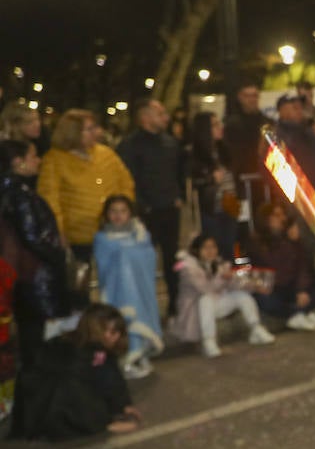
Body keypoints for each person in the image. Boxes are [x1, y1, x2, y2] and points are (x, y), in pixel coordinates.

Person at [0, 138, 70, 434]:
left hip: (13, 277)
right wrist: (58, 253)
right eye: (32, 156)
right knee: (33, 344)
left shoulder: (9, 191)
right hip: (31, 277)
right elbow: (33, 236)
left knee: (21, 341)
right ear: (18, 162)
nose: (38, 160)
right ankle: (32, 413)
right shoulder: (21, 193)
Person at [11, 303, 143, 441]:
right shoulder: (77, 354)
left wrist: (123, 404)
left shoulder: (95, 350)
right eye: (108, 331)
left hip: (48, 397)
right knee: (75, 388)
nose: (114, 337)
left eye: (117, 331)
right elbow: (78, 393)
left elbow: (110, 378)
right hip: (42, 405)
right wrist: (106, 423)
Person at [37, 109, 136, 264]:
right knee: (80, 281)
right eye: (89, 129)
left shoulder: (106, 154)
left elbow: (126, 182)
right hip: (78, 236)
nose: (96, 132)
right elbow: (49, 200)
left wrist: (123, 211)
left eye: (95, 128)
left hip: (112, 231)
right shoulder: (54, 160)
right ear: (73, 132)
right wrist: (59, 231)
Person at [117, 98, 186, 314]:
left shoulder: (170, 142)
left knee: (172, 258)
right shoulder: (130, 145)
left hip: (169, 209)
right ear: (145, 118)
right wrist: (141, 206)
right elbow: (127, 178)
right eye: (160, 114)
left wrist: (178, 195)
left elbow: (179, 172)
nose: (165, 118)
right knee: (144, 261)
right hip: (145, 214)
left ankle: (176, 304)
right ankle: (144, 307)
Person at [93, 195, 163, 379]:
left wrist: (131, 253)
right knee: (124, 322)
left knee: (143, 318)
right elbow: (105, 263)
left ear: (130, 213)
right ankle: (128, 359)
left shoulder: (140, 234)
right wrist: (127, 255)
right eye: (113, 211)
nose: (118, 215)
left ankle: (141, 354)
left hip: (141, 289)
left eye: (123, 211)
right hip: (118, 291)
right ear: (106, 214)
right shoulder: (103, 238)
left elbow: (149, 257)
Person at [172, 233, 275, 358]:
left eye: (213, 247)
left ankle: (256, 328)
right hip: (195, 310)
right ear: (197, 250)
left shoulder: (219, 263)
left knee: (242, 296)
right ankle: (208, 341)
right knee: (206, 300)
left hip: (216, 302)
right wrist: (222, 278)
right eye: (206, 248)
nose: (210, 251)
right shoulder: (188, 267)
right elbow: (204, 289)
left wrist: (253, 286)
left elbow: (232, 285)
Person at [246, 202, 315, 331]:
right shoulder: (258, 241)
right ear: (266, 219)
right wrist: (288, 241)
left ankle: (299, 313)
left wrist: (301, 290)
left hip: (292, 286)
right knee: (265, 300)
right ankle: (297, 313)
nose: (282, 218)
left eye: (283, 215)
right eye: (277, 215)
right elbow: (274, 265)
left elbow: (303, 266)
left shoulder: (288, 237)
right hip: (274, 287)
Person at [188, 111, 239, 259]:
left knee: (229, 248)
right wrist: (211, 179)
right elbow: (193, 181)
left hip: (230, 205)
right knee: (215, 248)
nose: (219, 127)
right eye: (214, 125)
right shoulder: (196, 155)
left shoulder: (223, 149)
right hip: (212, 208)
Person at [222, 83, 272, 213]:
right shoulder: (232, 124)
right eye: (247, 96)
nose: (252, 99)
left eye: (254, 95)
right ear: (240, 97)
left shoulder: (266, 121)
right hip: (242, 181)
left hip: (265, 179)